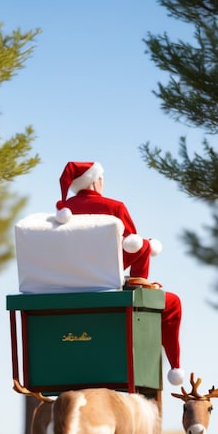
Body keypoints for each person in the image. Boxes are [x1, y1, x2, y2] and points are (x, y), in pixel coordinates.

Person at [56, 161, 185, 387]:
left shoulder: (60, 215)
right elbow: (133, 245)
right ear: (96, 181)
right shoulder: (114, 208)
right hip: (109, 289)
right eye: (102, 178)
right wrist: (145, 254)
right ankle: (174, 366)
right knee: (172, 302)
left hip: (65, 288)